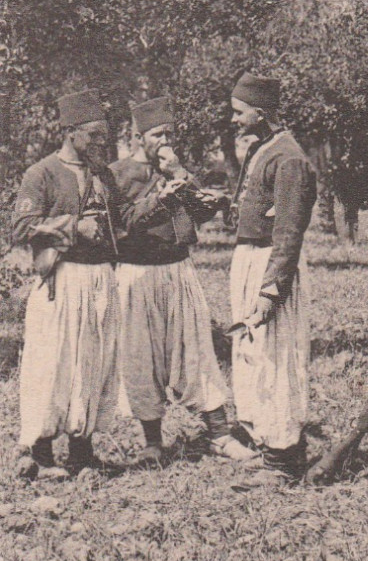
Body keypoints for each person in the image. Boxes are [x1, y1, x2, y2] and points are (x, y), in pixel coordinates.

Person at [111, 96, 250, 467]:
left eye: (169, 134)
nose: (164, 141)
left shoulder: (175, 170)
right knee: (141, 357)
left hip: (177, 269)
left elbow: (202, 211)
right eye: (157, 134)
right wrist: (159, 200)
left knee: (196, 349)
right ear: (138, 137)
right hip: (136, 273)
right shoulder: (117, 174)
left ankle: (219, 435)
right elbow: (121, 224)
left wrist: (181, 176)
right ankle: (152, 442)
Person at [12, 89, 122, 478]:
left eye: (103, 136)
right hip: (61, 278)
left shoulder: (104, 174)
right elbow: (21, 227)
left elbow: (121, 223)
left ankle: (82, 453)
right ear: (71, 132)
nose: (100, 142)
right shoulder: (41, 173)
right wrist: (74, 227)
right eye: (93, 135)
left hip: (100, 280)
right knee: (52, 363)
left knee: (92, 363)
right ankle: (39, 454)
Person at [229, 72, 316, 477]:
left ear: (260, 114)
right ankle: (266, 442)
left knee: (277, 360)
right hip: (250, 260)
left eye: (238, 112)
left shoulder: (289, 158)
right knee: (253, 357)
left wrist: (270, 291)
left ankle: (284, 457)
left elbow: (288, 231)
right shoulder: (262, 148)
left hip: (270, 267)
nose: (233, 119)